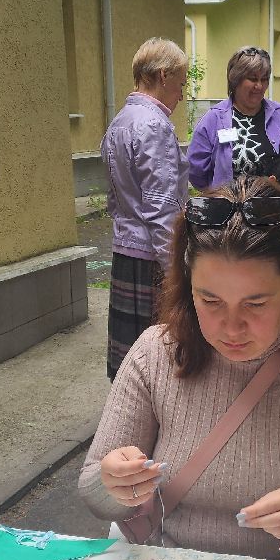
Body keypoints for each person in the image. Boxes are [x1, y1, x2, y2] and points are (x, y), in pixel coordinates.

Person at [79, 177, 280, 560]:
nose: (232, 327)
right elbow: (95, 492)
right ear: (189, 286)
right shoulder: (154, 354)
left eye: (256, 304)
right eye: (211, 301)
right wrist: (114, 484)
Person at [100, 37, 190, 379]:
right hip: (151, 260)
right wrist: (174, 273)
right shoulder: (154, 125)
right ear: (163, 76)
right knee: (156, 363)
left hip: (126, 253)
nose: (181, 96)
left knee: (130, 363)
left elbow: (113, 199)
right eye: (180, 84)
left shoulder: (119, 122)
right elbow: (161, 209)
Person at [187, 47, 280, 192]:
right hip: (230, 210)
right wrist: (218, 195)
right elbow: (196, 171)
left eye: (264, 79)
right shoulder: (214, 119)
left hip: (276, 208)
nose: (259, 86)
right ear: (235, 79)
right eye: (253, 79)